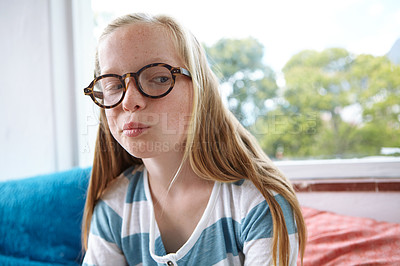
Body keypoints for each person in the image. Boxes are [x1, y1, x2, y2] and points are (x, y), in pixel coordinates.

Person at [82, 13, 306, 266]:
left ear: (200, 89)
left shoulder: (259, 203)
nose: (130, 101)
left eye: (160, 78)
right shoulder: (114, 207)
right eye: (113, 84)